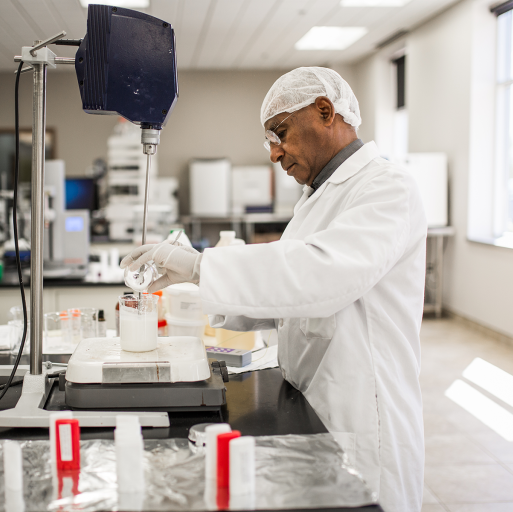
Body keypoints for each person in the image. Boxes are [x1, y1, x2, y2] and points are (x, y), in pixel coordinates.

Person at [121, 67, 426, 512]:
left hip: (362, 410)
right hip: (313, 396)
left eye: (280, 133)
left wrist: (204, 265)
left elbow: (322, 275)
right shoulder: (315, 199)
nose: (274, 153)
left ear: (326, 111)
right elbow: (291, 298)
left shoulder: (387, 188)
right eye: (269, 140)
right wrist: (196, 276)